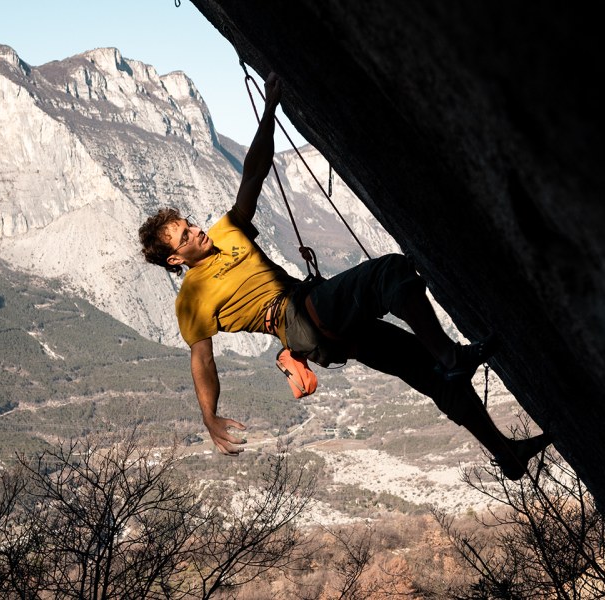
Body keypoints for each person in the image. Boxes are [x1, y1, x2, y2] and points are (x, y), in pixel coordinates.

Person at [139, 72, 549, 480]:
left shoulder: (228, 230)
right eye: (185, 235)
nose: (196, 229)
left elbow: (254, 172)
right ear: (176, 259)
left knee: (429, 373)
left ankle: (506, 454)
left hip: (315, 311)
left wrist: (269, 109)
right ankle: (453, 355)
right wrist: (208, 415)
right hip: (296, 320)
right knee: (390, 272)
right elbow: (202, 360)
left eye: (189, 223)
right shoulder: (192, 298)